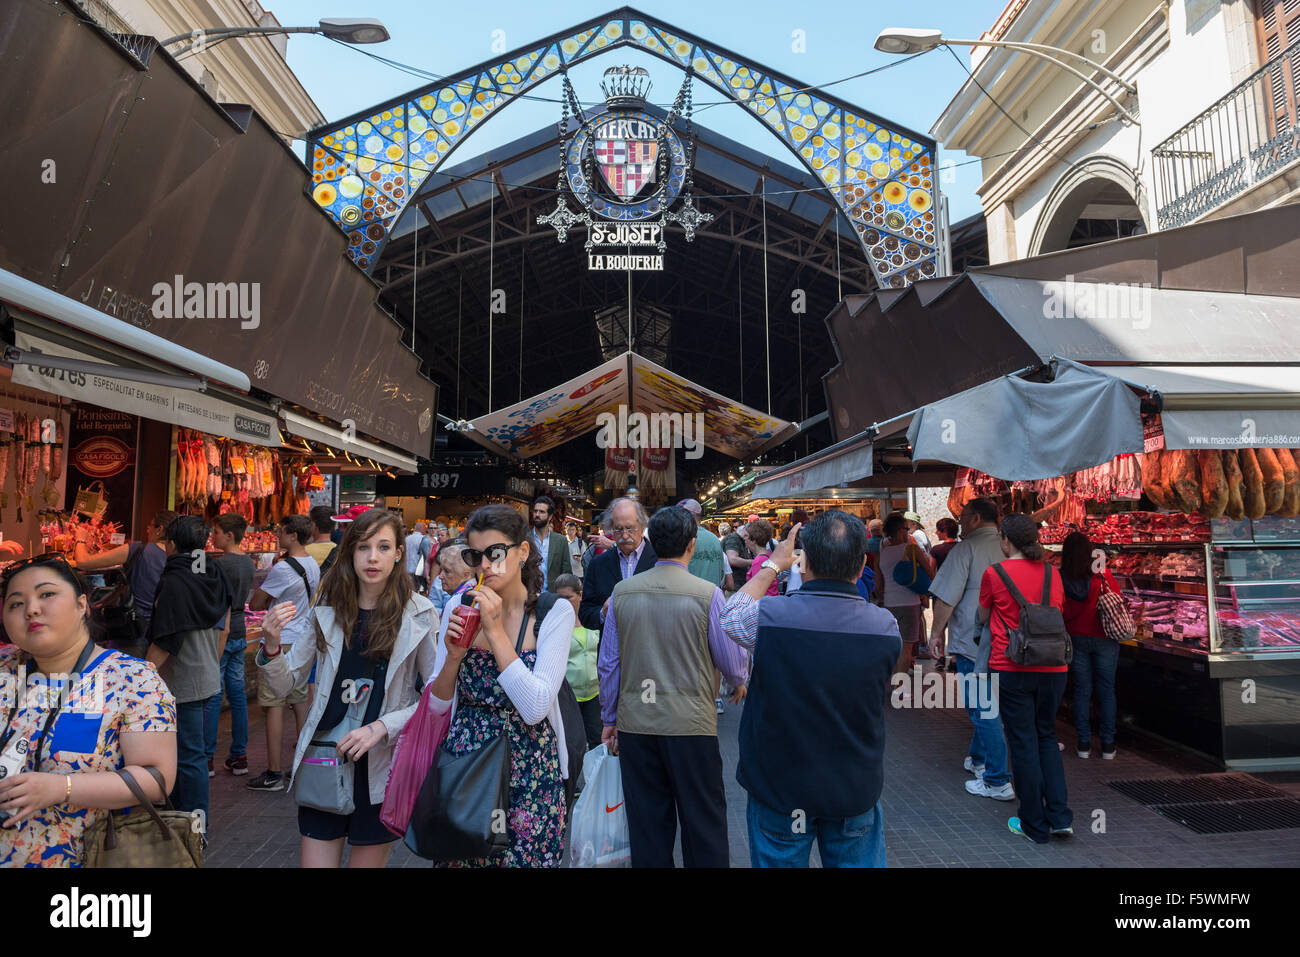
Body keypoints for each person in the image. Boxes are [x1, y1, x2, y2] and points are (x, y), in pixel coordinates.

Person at [256, 509, 436, 867]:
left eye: (384, 547)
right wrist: (272, 645)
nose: (373, 557)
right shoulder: (326, 608)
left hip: (381, 769)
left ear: (399, 553)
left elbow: (436, 696)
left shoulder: (419, 613)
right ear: (350, 552)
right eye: (364, 547)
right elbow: (286, 682)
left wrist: (384, 726)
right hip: (326, 758)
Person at [721, 513, 901, 867]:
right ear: (863, 562)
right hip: (853, 788)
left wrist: (774, 564)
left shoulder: (771, 617)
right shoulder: (885, 627)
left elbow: (731, 616)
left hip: (780, 789)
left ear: (805, 561)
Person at [0, 554, 177, 867]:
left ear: (82, 605)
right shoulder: (5, 672)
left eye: (47, 594)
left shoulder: (131, 679)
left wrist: (60, 788)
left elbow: (157, 780)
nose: (31, 609)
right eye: (16, 603)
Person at [599, 506, 747, 868]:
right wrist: (738, 680)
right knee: (704, 823)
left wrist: (609, 716)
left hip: (637, 725)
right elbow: (730, 658)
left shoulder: (622, 592)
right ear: (692, 546)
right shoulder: (707, 594)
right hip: (691, 726)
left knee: (647, 825)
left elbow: (609, 664)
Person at [427, 504, 573, 867]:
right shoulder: (459, 606)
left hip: (531, 770)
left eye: (496, 553)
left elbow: (536, 706)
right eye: (476, 556)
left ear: (522, 552)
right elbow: (436, 703)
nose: (486, 565)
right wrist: (454, 657)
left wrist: (493, 632)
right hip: (465, 765)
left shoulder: (554, 612)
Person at [978, 513, 1072, 844]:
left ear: (1005, 539)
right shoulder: (1052, 573)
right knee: (1046, 737)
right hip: (1054, 667)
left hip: (1012, 665)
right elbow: (1056, 609)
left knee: (1023, 742)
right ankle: (1060, 817)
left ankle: (1034, 824)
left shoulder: (994, 573)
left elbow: (983, 614)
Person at [926, 498, 1014, 801]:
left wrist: (936, 633)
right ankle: (977, 759)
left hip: (973, 644)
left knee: (983, 711)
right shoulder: (1011, 547)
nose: (959, 521)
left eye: (962, 516)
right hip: (1011, 645)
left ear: (975, 518)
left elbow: (947, 598)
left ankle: (998, 779)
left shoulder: (966, 549)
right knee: (988, 706)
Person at [145, 516, 231, 820]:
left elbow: (166, 637)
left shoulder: (176, 579)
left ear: (171, 544)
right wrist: (213, 660)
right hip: (206, 673)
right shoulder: (213, 571)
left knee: (189, 756)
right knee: (192, 754)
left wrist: (142, 676)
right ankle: (187, 821)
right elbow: (225, 625)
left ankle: (194, 827)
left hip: (182, 681)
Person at [246, 515, 320, 791]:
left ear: (292, 535)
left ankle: (274, 772)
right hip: (302, 637)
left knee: (274, 705)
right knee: (299, 702)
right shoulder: (311, 564)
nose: (278, 535)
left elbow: (257, 601)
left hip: (281, 637)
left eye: (280, 531)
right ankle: (301, 765)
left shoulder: (283, 568)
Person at [72, 509, 176, 658]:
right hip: (160, 638)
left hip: (130, 632)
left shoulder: (140, 549)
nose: (147, 528)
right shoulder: (179, 558)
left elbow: (83, 562)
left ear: (159, 530)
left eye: (151, 525)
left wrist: (80, 539)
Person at [1060, 532, 1122, 760]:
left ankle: (1083, 744)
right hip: (1104, 637)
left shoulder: (1061, 577)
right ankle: (1107, 745)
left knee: (1081, 690)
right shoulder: (1101, 574)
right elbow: (1117, 598)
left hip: (1076, 637)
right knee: (1106, 690)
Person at [207, 513, 256, 777]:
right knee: (237, 695)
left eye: (216, 531)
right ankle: (239, 755)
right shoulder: (248, 563)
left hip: (220, 632)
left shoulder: (219, 565)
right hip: (240, 630)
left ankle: (207, 757)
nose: (213, 536)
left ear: (229, 535)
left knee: (214, 694)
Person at [578, 497, 656, 631]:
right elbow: (585, 614)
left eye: (630, 528)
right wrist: (603, 613)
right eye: (618, 529)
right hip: (612, 647)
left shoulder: (658, 560)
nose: (625, 536)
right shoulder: (598, 564)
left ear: (642, 526)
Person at [875, 512, 934, 684]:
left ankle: (890, 682)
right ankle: (899, 688)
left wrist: (883, 599)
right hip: (910, 604)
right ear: (901, 530)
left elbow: (878, 585)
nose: (908, 532)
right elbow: (930, 573)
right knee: (906, 649)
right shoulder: (912, 550)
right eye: (906, 529)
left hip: (888, 605)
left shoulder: (881, 554)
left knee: (893, 646)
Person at [554, 573, 601, 751]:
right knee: (572, 744)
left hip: (594, 693)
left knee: (597, 740)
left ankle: (597, 778)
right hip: (568, 695)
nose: (564, 602)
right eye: (559, 598)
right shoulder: (554, 622)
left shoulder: (592, 618)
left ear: (580, 595)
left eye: (568, 597)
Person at [530, 496, 572, 592]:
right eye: (535, 511)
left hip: (552, 596)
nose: (537, 514)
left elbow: (566, 572)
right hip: (529, 596)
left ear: (550, 517)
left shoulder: (560, 541)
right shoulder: (524, 539)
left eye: (542, 512)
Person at [435, 541, 475, 640]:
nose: (440, 576)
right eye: (441, 570)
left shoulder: (457, 602)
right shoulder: (474, 592)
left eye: (447, 571)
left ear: (466, 575)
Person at [744, 519, 780, 597]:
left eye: (746, 536)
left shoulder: (759, 561)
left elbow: (757, 590)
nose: (745, 539)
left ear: (753, 540)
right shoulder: (768, 557)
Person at [404, 521, 427, 593]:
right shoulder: (423, 539)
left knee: (408, 591)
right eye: (424, 528)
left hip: (406, 569)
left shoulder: (406, 539)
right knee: (417, 592)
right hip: (417, 570)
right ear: (421, 528)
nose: (426, 530)